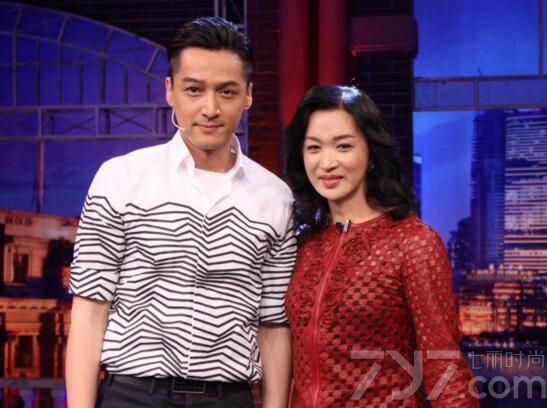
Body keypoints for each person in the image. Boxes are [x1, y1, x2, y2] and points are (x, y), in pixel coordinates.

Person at [66, 17, 296, 408]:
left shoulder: (275, 197)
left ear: (248, 96)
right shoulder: (120, 178)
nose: (210, 108)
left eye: (226, 91)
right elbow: (89, 311)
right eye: (194, 89)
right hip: (132, 395)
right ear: (170, 91)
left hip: (227, 398)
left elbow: (272, 324)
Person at [283, 85, 478, 407]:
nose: (326, 162)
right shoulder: (302, 244)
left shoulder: (413, 243)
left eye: (343, 146)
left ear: (371, 152)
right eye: (314, 148)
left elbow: (442, 361)